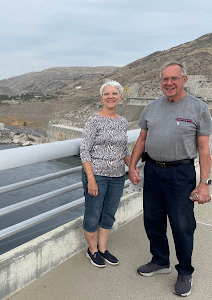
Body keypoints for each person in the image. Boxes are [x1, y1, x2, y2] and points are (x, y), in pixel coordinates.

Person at [129, 61, 211, 297]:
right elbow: (142, 140)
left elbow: (205, 149)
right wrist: (133, 166)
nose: (169, 83)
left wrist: (204, 182)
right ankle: (160, 261)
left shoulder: (198, 108)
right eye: (165, 79)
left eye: (174, 78)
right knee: (152, 220)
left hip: (181, 173)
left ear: (185, 79)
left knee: (182, 226)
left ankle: (185, 271)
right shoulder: (151, 108)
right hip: (153, 171)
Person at [81, 80, 131, 268]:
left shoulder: (123, 121)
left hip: (118, 176)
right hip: (97, 175)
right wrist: (91, 180)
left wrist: (132, 167)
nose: (111, 96)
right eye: (107, 94)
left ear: (120, 96)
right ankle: (92, 250)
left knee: (109, 213)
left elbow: (124, 150)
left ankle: (102, 248)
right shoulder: (94, 120)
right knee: (93, 214)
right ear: (102, 97)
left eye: (114, 93)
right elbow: (84, 150)